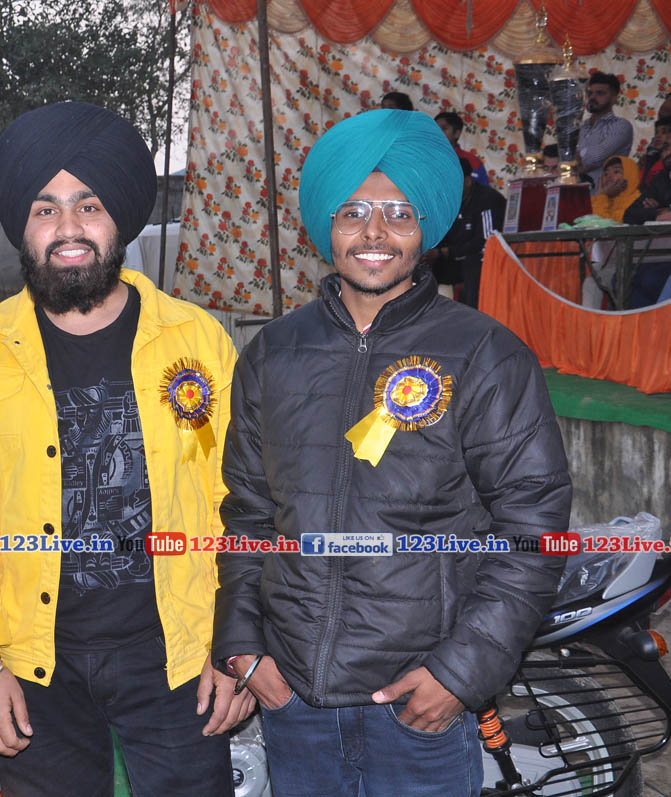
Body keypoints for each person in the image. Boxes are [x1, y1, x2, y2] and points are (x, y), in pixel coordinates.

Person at [212, 109, 572, 797]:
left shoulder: (486, 355)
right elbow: (248, 515)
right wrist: (244, 647)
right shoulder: (273, 353)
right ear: (327, 225)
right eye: (353, 212)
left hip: (418, 705)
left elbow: (533, 531)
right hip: (294, 699)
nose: (374, 232)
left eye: (399, 213)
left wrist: (460, 673)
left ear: (424, 229)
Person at [0, 101, 251, 796]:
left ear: (119, 220)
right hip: (33, 664)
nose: (68, 228)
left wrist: (236, 643)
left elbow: (238, 501)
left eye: (89, 206)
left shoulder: (198, 340)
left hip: (180, 656)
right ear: (22, 225)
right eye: (45, 209)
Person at [623, 118, 671, 305]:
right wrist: (656, 214)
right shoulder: (662, 178)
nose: (669, 152)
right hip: (669, 253)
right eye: (665, 147)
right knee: (624, 276)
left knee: (657, 277)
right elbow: (630, 214)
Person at [425, 157, 506, 308]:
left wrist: (443, 252)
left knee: (473, 263)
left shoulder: (487, 199)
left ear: (467, 181)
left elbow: (487, 242)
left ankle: (475, 316)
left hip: (485, 262)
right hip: (456, 260)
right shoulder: (448, 202)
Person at [577, 72, 634, 184]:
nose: (592, 97)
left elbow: (594, 158)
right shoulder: (581, 127)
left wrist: (576, 161)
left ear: (614, 98)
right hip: (574, 190)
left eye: (600, 93)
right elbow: (563, 159)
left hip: (604, 192)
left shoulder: (621, 126)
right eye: (590, 93)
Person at [434, 111, 490, 186]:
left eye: (444, 128)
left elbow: (483, 191)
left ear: (456, 133)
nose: (438, 132)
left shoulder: (473, 161)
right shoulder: (424, 158)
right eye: (435, 128)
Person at [589, 155, 640, 223]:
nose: (609, 176)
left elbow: (603, 224)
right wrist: (600, 196)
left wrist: (601, 196)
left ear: (630, 176)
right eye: (606, 174)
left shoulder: (637, 200)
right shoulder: (599, 198)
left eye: (616, 172)